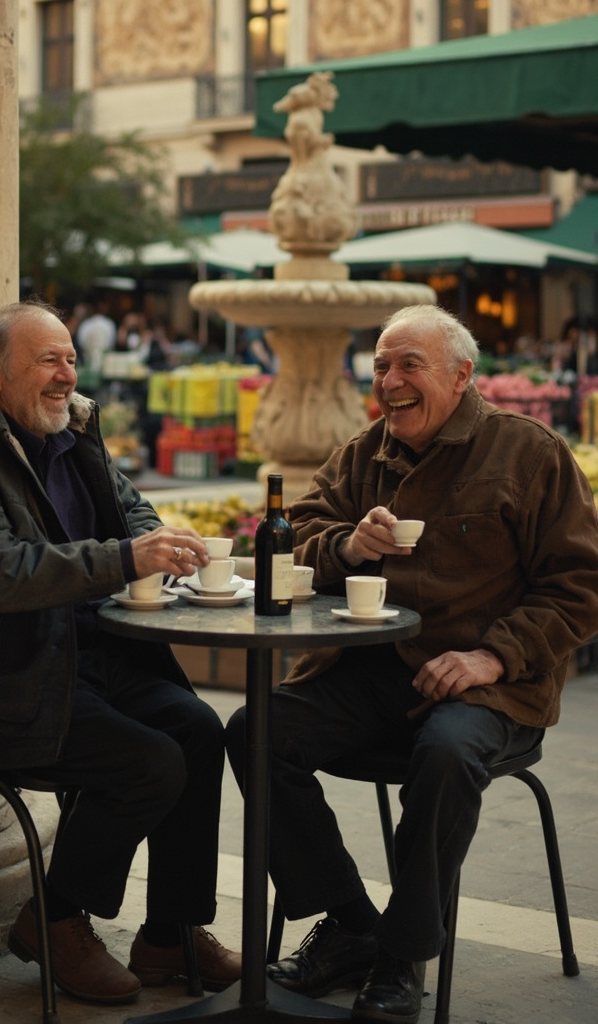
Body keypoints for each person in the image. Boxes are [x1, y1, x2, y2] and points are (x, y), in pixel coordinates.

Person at [225, 304, 598, 1024]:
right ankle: (350, 923)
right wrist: (347, 546)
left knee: (446, 753)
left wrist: (495, 655)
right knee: (255, 730)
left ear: (461, 376)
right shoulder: (365, 452)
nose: (389, 382)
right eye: (381, 367)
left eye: (408, 366)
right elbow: (295, 532)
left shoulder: (528, 453)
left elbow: (582, 586)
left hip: (493, 689)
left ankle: (403, 955)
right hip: (376, 673)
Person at [0, 300, 240, 1008]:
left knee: (200, 730)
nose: (67, 375)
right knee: (152, 762)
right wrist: (124, 558)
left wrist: (158, 544)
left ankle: (170, 933)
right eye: (48, 361)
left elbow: (132, 512)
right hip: (8, 682)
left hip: (89, 658)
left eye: (70, 358)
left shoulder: (74, 429)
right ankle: (54, 919)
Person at [75, 296, 117, 374]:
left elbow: (81, 344)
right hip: (101, 366)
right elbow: (111, 344)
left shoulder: (85, 324)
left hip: (91, 363)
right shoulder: (109, 324)